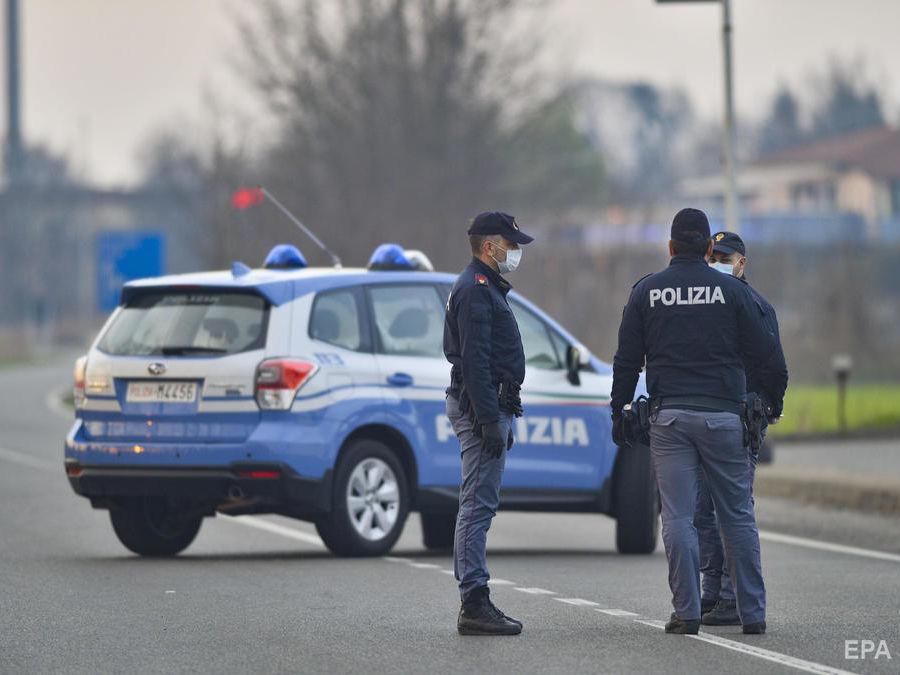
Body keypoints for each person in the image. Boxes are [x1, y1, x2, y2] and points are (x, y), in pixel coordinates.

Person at [610, 208, 786, 635]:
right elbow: (770, 359)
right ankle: (753, 615)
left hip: (669, 420)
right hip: (725, 418)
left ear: (669, 247)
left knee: (677, 518)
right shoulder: (735, 293)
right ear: (708, 248)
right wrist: (769, 404)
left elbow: (627, 362)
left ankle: (687, 613)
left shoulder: (647, 291)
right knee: (737, 515)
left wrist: (619, 412)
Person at [443, 211, 533, 636]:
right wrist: (487, 420)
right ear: (489, 246)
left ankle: (473, 596)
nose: (515, 251)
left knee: (477, 501)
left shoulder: (483, 286)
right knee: (478, 504)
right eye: (510, 244)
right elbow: (476, 362)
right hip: (483, 406)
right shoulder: (477, 290)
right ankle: (474, 601)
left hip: (490, 404)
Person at [697, 231, 788, 626]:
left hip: (740, 419)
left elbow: (775, 368)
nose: (718, 261)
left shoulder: (755, 305)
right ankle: (712, 591)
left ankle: (733, 597)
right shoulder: (704, 303)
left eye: (725, 256)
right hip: (707, 416)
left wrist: (766, 409)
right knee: (702, 510)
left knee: (729, 512)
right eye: (713, 255)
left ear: (741, 263)